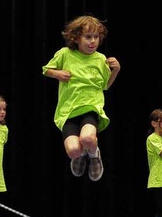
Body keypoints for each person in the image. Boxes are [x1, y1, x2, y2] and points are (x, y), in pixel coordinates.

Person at [42, 15, 121, 181]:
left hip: (91, 108)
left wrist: (115, 70)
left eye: (96, 37)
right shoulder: (65, 54)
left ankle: (94, 155)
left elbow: (105, 85)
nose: (93, 41)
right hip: (68, 111)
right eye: (88, 37)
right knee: (73, 150)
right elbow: (46, 69)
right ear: (76, 38)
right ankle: (81, 154)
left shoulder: (100, 59)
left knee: (87, 138)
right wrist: (57, 73)